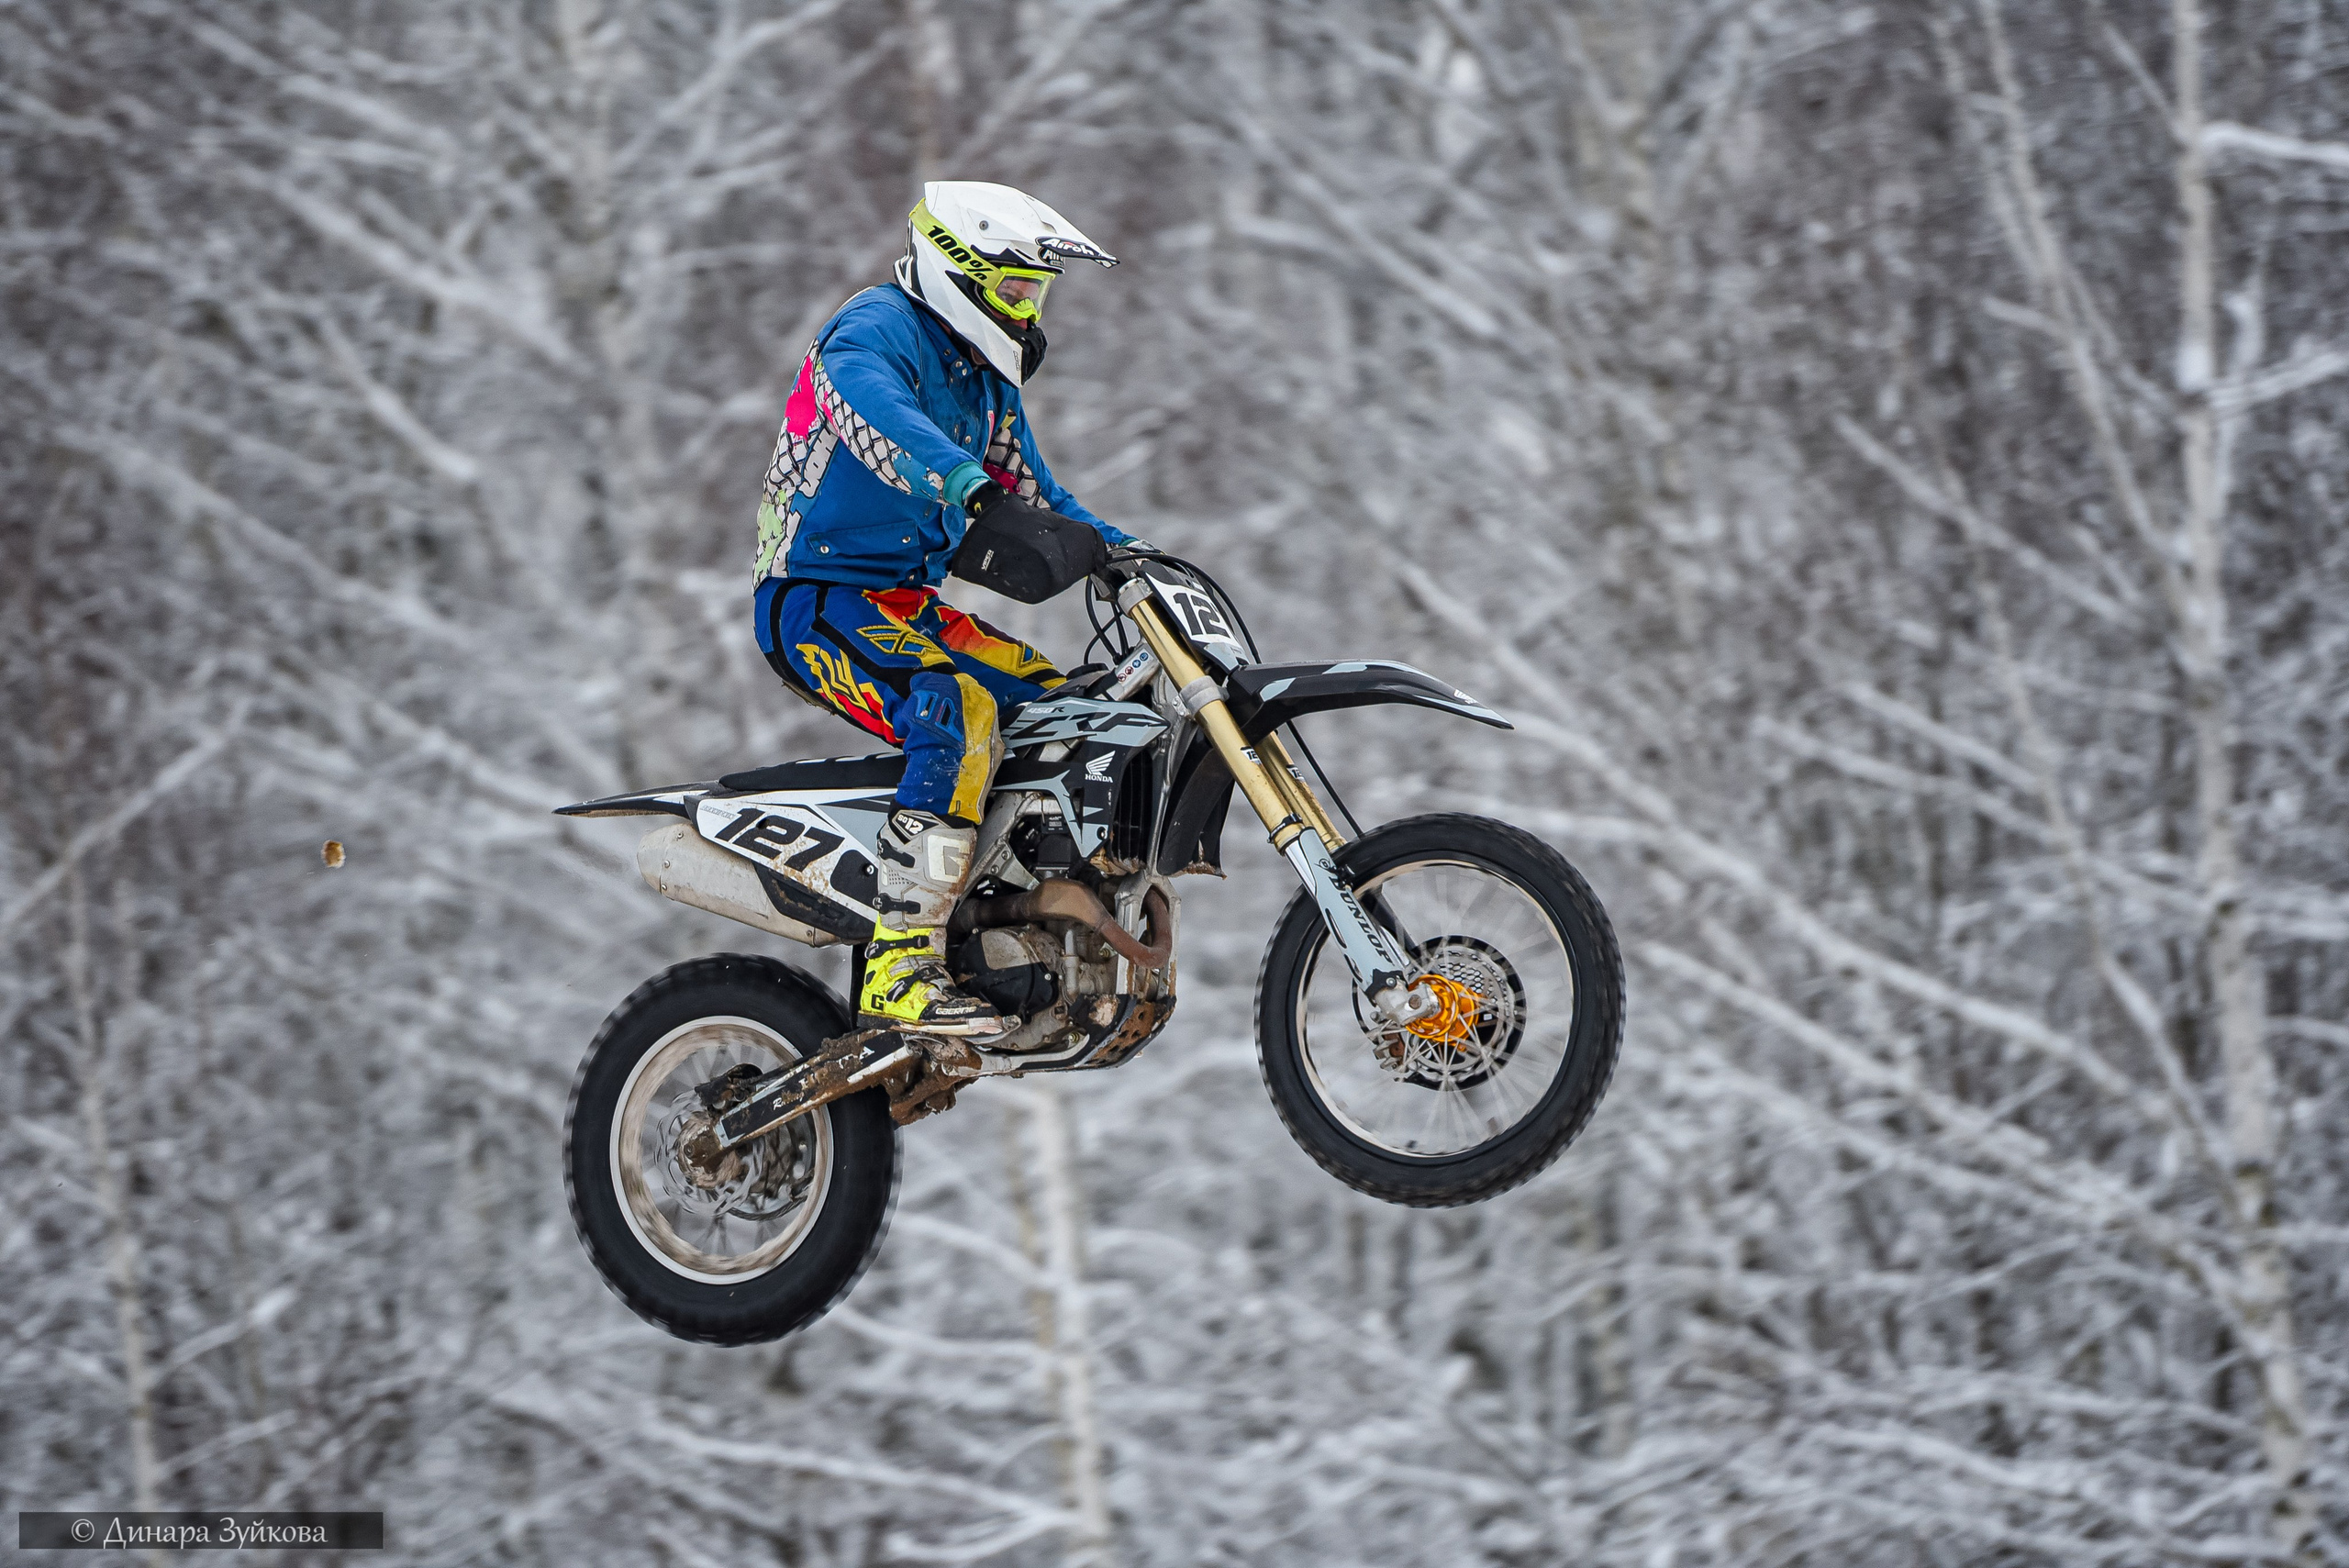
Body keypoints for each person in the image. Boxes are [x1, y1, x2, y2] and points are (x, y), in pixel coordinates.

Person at [750, 181, 1134, 1040]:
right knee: (953, 706)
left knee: (1062, 704)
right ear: (958, 268)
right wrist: (965, 484)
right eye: (1014, 290)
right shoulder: (872, 329)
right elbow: (878, 420)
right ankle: (899, 961)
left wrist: (1131, 555)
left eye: (1036, 293)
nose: (1028, 311)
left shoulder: (986, 383)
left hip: (905, 605)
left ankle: (1008, 926)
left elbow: (1039, 495)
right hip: (813, 598)